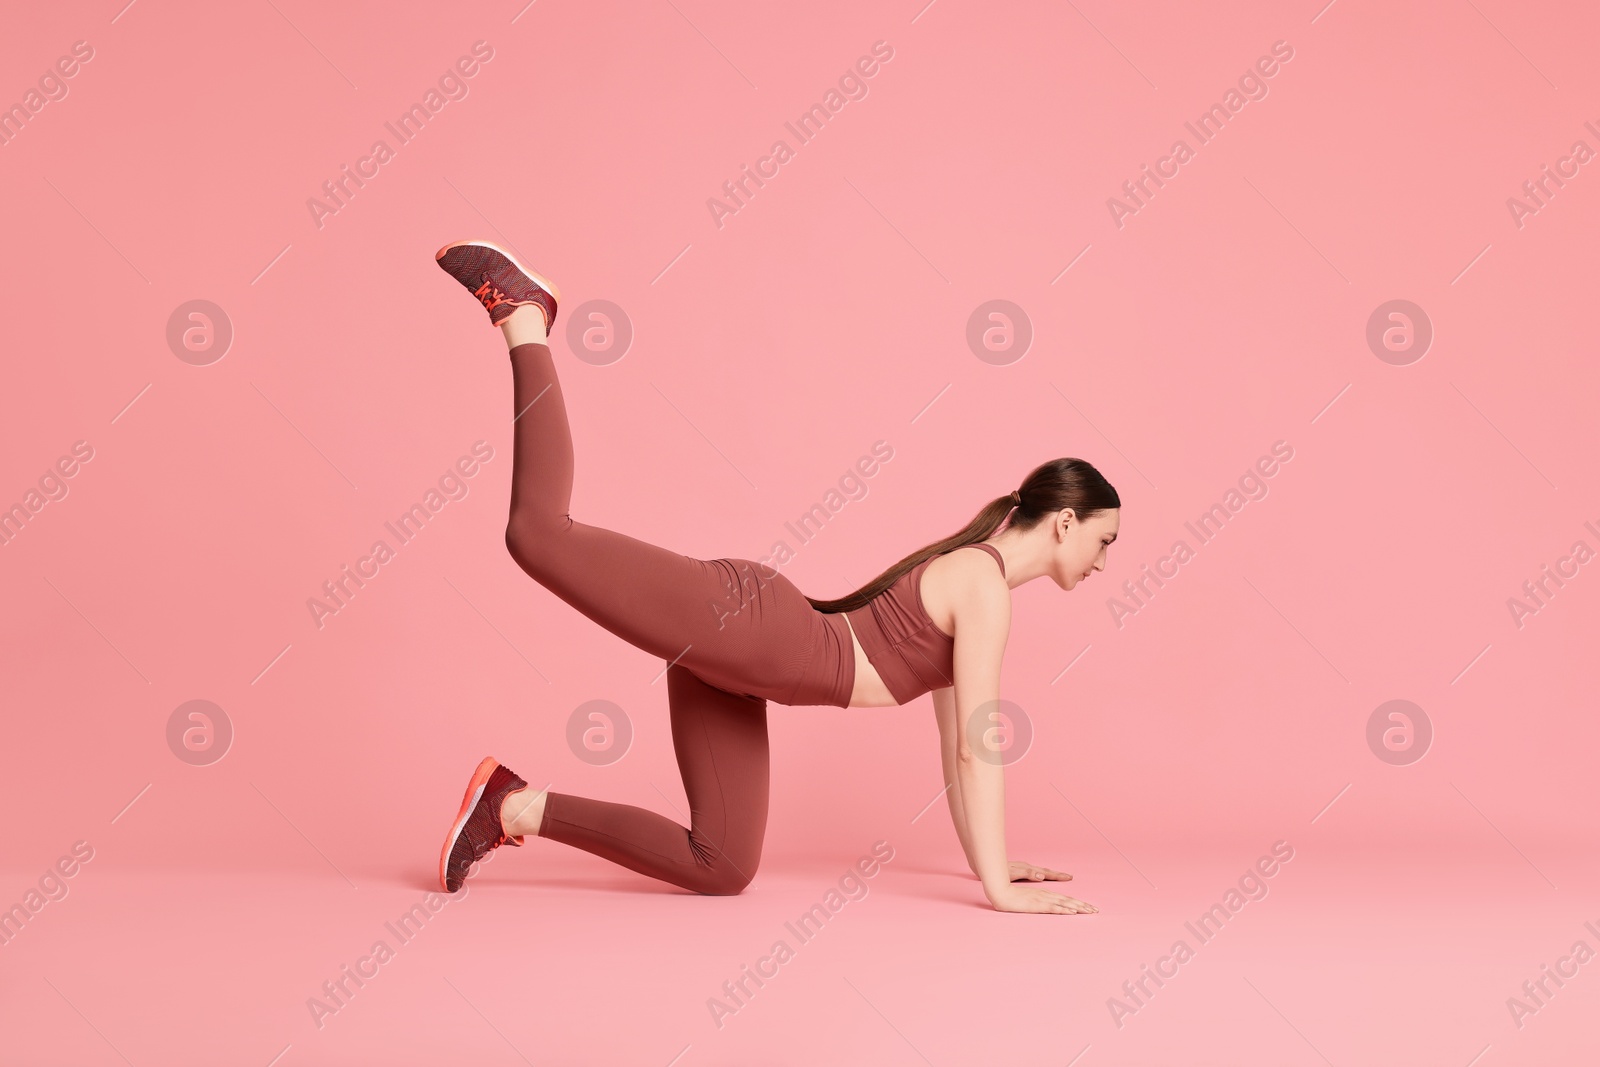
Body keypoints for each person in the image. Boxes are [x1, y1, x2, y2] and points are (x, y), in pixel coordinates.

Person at [433, 240, 1121, 914]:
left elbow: (954, 751)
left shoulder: (978, 581)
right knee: (538, 533)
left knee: (722, 863)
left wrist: (992, 869)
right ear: (1065, 522)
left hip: (749, 665)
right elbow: (979, 750)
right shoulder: (984, 585)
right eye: (1103, 539)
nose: (1104, 560)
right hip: (751, 626)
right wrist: (1000, 891)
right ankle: (525, 317)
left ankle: (510, 804)